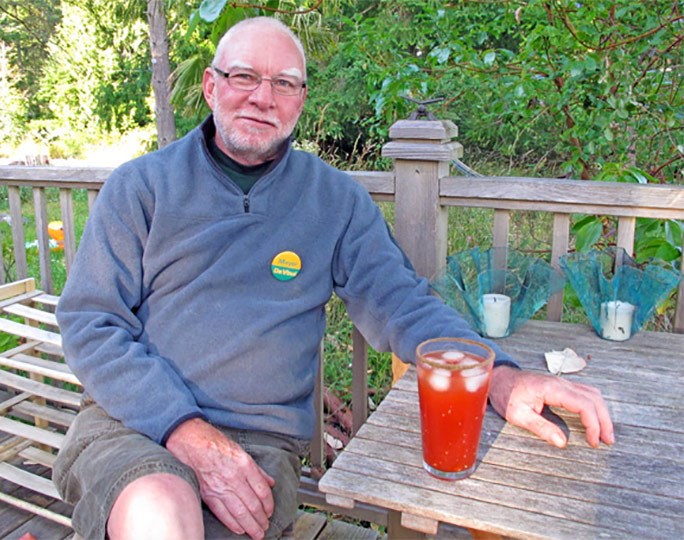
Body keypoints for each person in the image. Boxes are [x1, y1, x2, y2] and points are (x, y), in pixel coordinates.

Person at [53, 16, 614, 540]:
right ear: (210, 85)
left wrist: (502, 377)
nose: (262, 97)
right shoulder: (142, 187)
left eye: (284, 83)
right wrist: (187, 433)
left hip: (258, 443)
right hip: (134, 425)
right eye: (244, 76)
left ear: (300, 99)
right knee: (157, 508)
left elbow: (400, 303)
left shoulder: (335, 200)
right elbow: (89, 320)